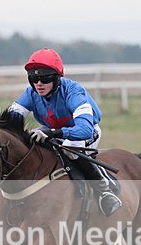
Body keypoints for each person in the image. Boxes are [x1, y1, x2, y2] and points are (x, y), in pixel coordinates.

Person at [7, 48, 122, 216]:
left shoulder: (74, 91)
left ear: (56, 78)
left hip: (84, 132)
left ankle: (104, 190)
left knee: (71, 149)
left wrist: (53, 133)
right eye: (33, 78)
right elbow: (10, 120)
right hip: (53, 132)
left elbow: (84, 129)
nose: (39, 83)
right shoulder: (31, 93)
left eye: (45, 78)